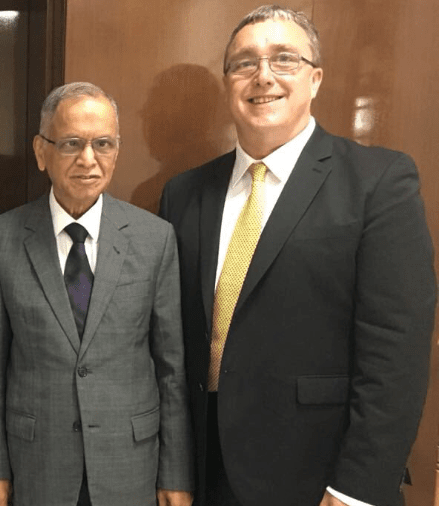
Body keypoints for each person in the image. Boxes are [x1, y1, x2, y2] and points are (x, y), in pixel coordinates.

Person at [158, 5, 436, 506]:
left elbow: (397, 354)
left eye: (284, 59)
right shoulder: (184, 194)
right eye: (245, 63)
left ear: (315, 78)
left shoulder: (377, 182)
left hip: (319, 479)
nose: (263, 76)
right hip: (205, 474)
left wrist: (357, 489)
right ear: (228, 82)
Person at [0, 82, 193, 506]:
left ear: (117, 150)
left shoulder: (155, 238)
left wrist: (175, 474)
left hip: (129, 462)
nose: (88, 160)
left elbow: (171, 369)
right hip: (38, 462)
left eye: (103, 144)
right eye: (71, 143)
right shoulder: (0, 240)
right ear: (42, 151)